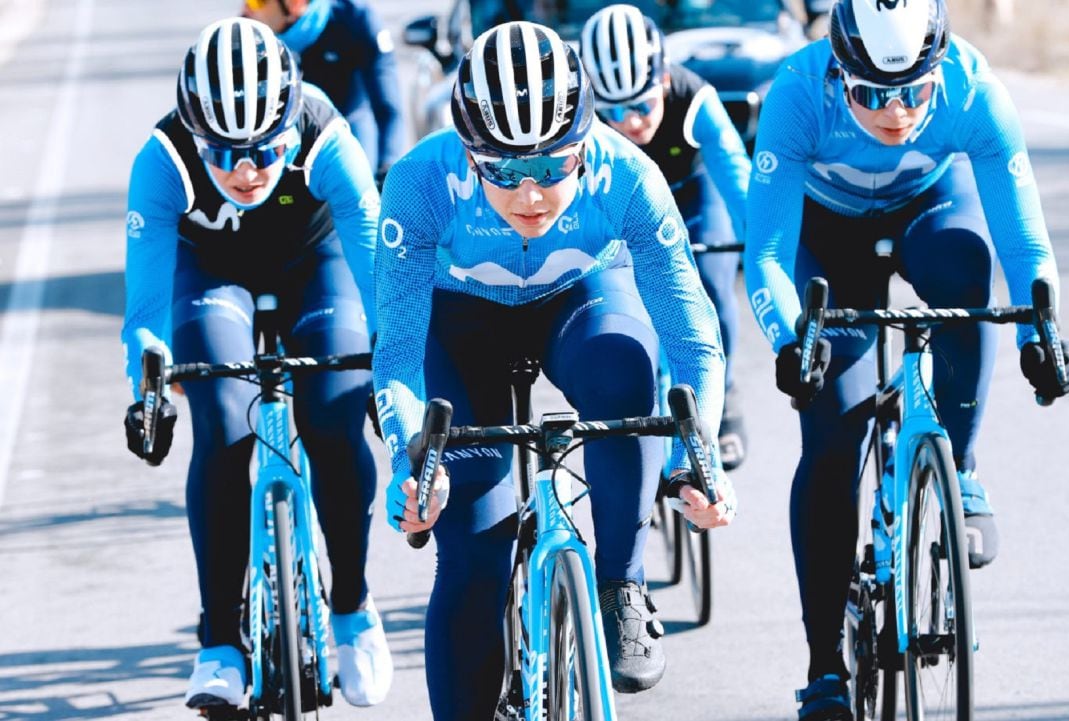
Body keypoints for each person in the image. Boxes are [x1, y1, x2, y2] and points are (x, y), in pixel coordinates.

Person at [372, 20, 737, 721]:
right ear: (469, 154)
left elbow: (693, 340)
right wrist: (409, 457)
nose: (532, 193)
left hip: (580, 304)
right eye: (505, 170)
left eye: (553, 165)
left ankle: (621, 586)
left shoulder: (627, 174)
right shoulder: (420, 182)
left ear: (585, 144)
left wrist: (702, 454)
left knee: (625, 367)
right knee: (474, 560)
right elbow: (395, 356)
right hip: (461, 325)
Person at [742, 0, 1069, 718]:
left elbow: (1024, 244)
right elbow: (767, 253)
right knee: (833, 434)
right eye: (870, 93)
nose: (894, 112)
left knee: (967, 263)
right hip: (825, 237)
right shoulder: (797, 92)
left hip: (929, 210)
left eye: (913, 91)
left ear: (938, 69)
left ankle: (958, 463)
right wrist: (788, 338)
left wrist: (1038, 335)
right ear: (839, 72)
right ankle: (824, 666)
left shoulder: (973, 86)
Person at [120, 17, 393, 710]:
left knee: (334, 419)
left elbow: (383, 288)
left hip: (317, 265)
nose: (247, 171)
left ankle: (354, 610)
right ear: (193, 133)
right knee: (221, 426)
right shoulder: (162, 159)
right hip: (213, 276)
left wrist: (393, 379)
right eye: (225, 153)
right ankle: (218, 642)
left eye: (267, 151)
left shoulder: (330, 138)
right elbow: (147, 307)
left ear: (291, 126)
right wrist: (148, 387)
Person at [579, 3, 753, 470]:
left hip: (694, 198)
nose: (631, 122)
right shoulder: (582, 122)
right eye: (613, 110)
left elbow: (738, 178)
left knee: (713, 283)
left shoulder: (695, 98)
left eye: (641, 105)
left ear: (664, 80)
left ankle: (725, 384)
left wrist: (761, 238)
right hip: (626, 210)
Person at [241, 0, 407, 187]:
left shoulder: (355, 19)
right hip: (286, 139)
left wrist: (388, 170)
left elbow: (389, 109)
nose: (246, 7)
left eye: (257, 2)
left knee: (359, 181)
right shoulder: (248, 30)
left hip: (351, 123)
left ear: (295, 4)